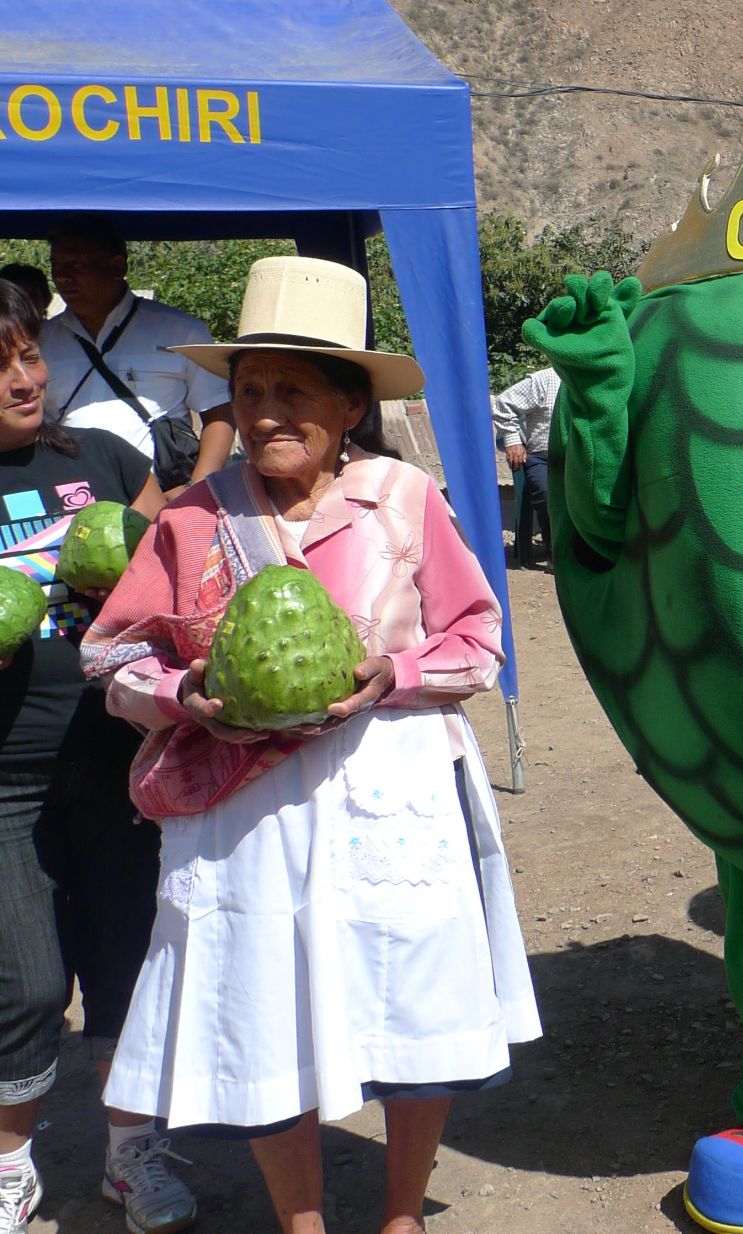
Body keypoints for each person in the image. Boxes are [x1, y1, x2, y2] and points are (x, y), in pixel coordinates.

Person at [82, 256, 541, 1234]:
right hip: (246, 804)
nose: (264, 413)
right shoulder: (196, 517)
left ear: (345, 405)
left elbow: (478, 635)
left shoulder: (404, 499)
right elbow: (110, 652)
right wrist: (183, 693)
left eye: (293, 390)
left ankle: (402, 1212)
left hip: (392, 786)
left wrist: (396, 675)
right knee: (263, 1005)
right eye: (248, 392)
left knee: (411, 996)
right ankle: (302, 1219)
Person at [0, 280, 192, 1234]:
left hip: (119, 758)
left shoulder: (110, 458)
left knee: (126, 962)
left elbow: (184, 580)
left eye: (29, 355)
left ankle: (131, 1154)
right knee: (27, 979)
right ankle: (11, 1165)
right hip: (6, 778)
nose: (24, 377)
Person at [40, 214, 234, 490]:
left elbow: (219, 414)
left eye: (77, 264)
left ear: (118, 265)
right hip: (70, 497)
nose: (62, 276)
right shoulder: (39, 341)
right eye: (56, 265)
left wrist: (196, 492)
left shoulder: (181, 332)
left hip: (162, 501)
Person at [490, 366, 560, 564]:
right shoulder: (545, 379)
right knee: (547, 496)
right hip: (543, 457)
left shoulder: (597, 373)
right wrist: (513, 440)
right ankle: (556, 552)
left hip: (582, 458)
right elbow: (504, 404)